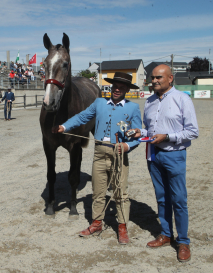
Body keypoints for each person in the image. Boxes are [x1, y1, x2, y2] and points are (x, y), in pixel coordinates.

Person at [52, 72, 142, 244]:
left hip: (119, 153)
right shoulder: (99, 102)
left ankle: (122, 227)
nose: (117, 90)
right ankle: (96, 223)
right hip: (99, 152)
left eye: (121, 87)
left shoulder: (133, 108)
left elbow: (138, 135)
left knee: (120, 192)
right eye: (115, 86)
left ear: (127, 90)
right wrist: (64, 126)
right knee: (98, 191)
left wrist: (127, 146)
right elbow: (82, 117)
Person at [127, 64, 198, 262]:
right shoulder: (149, 101)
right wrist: (141, 132)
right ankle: (166, 235)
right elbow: (150, 130)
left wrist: (168, 136)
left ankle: (183, 241)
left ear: (170, 78)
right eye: (153, 78)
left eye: (159, 77)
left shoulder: (182, 99)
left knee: (179, 200)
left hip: (174, 155)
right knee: (161, 198)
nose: (155, 81)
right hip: (154, 155)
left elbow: (193, 131)